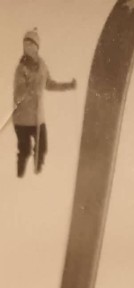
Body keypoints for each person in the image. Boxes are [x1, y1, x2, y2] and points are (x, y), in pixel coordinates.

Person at [12, 28, 77, 178]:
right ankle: (18, 178)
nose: (27, 47)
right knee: (25, 150)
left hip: (38, 118)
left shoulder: (42, 65)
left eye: (30, 43)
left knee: (42, 149)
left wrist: (68, 85)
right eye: (25, 44)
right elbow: (19, 93)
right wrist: (30, 89)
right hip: (22, 119)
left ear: (36, 46)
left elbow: (49, 84)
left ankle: (38, 176)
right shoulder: (21, 68)